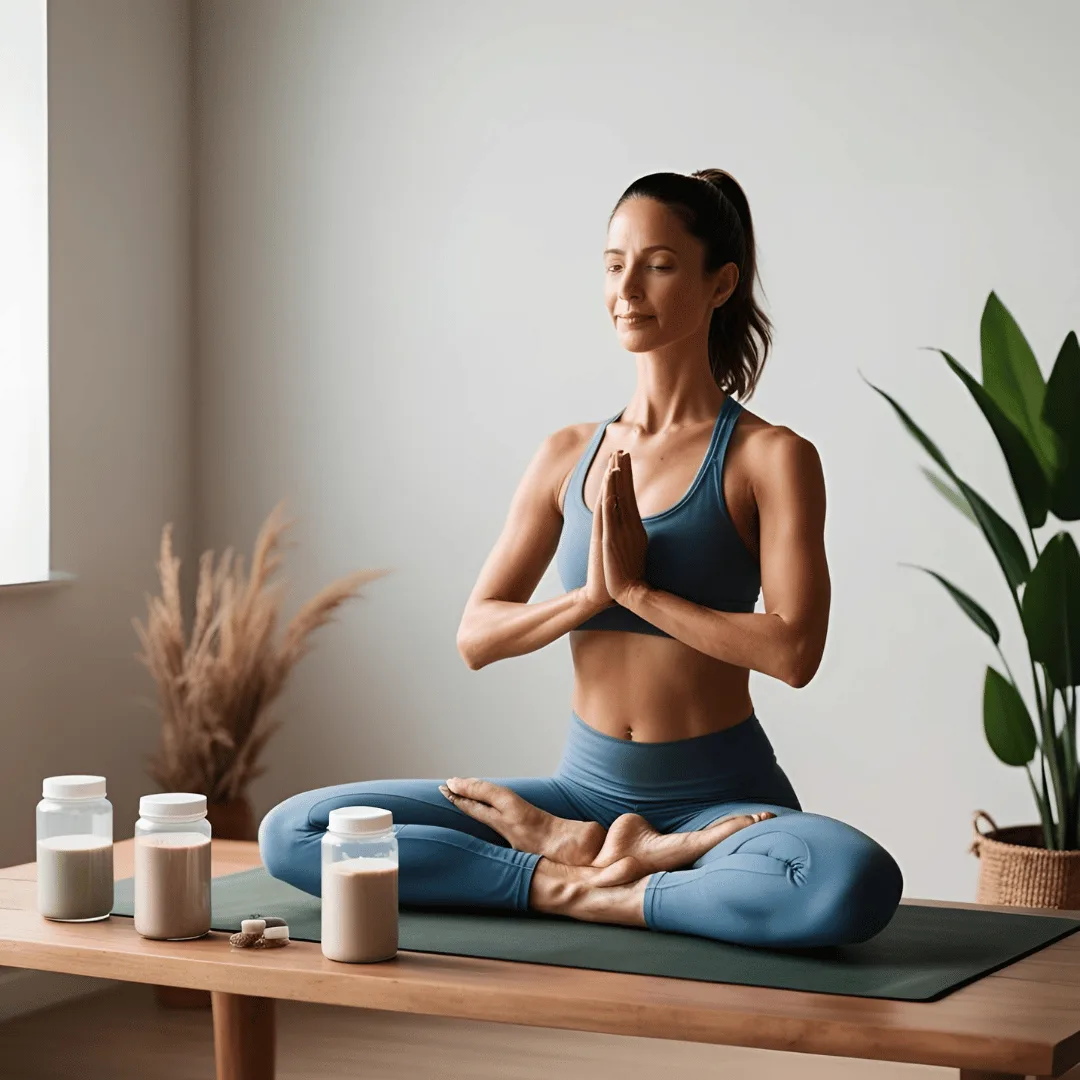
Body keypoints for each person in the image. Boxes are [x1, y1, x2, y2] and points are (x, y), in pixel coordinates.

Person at [258, 170, 904, 948]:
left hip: (721, 802)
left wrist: (636, 593)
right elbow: (478, 635)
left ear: (719, 283)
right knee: (300, 829)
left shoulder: (771, 458)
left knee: (844, 882)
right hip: (576, 796)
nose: (626, 286)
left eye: (658, 264)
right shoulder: (568, 453)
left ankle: (605, 881)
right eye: (612, 263)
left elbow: (794, 651)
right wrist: (590, 596)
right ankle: (575, 872)